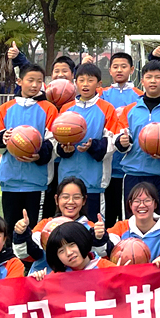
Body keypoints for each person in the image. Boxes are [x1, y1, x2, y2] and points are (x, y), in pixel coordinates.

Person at [0, 63, 59, 232]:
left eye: (39, 81)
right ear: (19, 81)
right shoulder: (5, 108)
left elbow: (54, 140)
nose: (35, 85)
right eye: (30, 80)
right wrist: (2, 139)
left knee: (35, 231)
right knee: (10, 229)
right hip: (10, 179)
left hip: (37, 181)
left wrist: (40, 154)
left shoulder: (49, 109)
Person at [115, 60, 160, 213]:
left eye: (158, 77)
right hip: (134, 173)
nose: (153, 81)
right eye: (149, 77)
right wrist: (123, 142)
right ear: (142, 81)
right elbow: (119, 138)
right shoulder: (129, 110)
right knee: (134, 220)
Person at [53, 63, 116, 218]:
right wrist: (64, 149)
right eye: (81, 80)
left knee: (93, 225)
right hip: (67, 179)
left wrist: (92, 146)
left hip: (94, 181)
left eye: (90, 80)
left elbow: (112, 141)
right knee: (66, 224)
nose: (85, 84)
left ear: (99, 84)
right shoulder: (66, 109)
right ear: (75, 83)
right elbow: (55, 140)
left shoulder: (107, 109)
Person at [101, 52, 143, 226]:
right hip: (107, 166)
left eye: (124, 66)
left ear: (132, 70)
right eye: (115, 67)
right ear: (110, 70)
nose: (119, 70)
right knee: (109, 216)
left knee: (129, 216)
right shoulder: (101, 95)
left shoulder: (140, 96)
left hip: (130, 167)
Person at [106, 182, 160, 259]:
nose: (142, 205)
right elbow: (106, 251)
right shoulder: (121, 227)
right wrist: (99, 238)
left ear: (155, 204)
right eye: (137, 201)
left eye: (147, 200)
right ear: (130, 204)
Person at [30, 222, 115, 279]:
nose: (69, 253)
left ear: (83, 241)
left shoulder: (109, 270)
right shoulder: (56, 278)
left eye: (72, 245)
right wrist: (39, 283)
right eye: (61, 251)